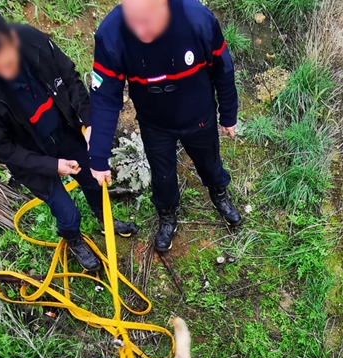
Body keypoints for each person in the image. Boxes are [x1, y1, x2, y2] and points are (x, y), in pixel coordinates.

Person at [0, 5, 138, 272]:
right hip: (31, 155)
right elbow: (3, 147)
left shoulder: (31, 40)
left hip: (63, 131)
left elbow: (70, 79)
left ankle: (105, 221)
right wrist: (52, 166)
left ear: (10, 37)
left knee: (93, 180)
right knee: (66, 212)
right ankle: (74, 239)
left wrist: (88, 125)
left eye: (10, 61)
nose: (8, 70)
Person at [88, 0, 242, 253]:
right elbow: (105, 97)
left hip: (199, 118)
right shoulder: (111, 34)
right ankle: (167, 214)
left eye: (148, 20)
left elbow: (223, 69)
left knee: (209, 162)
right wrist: (98, 155)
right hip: (154, 123)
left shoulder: (197, 19)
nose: (140, 30)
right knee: (162, 176)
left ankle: (219, 194)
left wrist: (228, 114)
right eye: (133, 20)